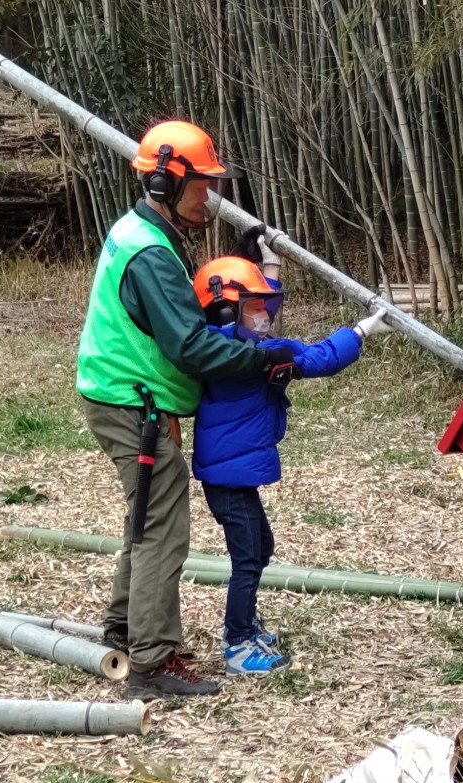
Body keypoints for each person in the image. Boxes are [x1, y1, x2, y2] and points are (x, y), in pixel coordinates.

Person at [76, 120, 299, 700]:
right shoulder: (149, 251)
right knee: (162, 529)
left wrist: (251, 262)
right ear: (164, 181)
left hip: (127, 395)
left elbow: (194, 313)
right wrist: (266, 359)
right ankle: (150, 662)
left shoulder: (147, 234)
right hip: (133, 403)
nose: (208, 196)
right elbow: (192, 344)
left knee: (145, 518)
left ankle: (124, 631)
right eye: (200, 184)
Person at [191, 242, 392, 675]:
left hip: (231, 473)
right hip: (228, 479)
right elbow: (319, 359)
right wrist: (360, 332)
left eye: (266, 305)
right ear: (226, 314)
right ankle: (239, 645)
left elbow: (250, 311)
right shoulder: (251, 360)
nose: (265, 315)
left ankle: (244, 626)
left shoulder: (221, 344)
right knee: (248, 558)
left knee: (261, 548)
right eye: (255, 308)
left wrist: (271, 264)